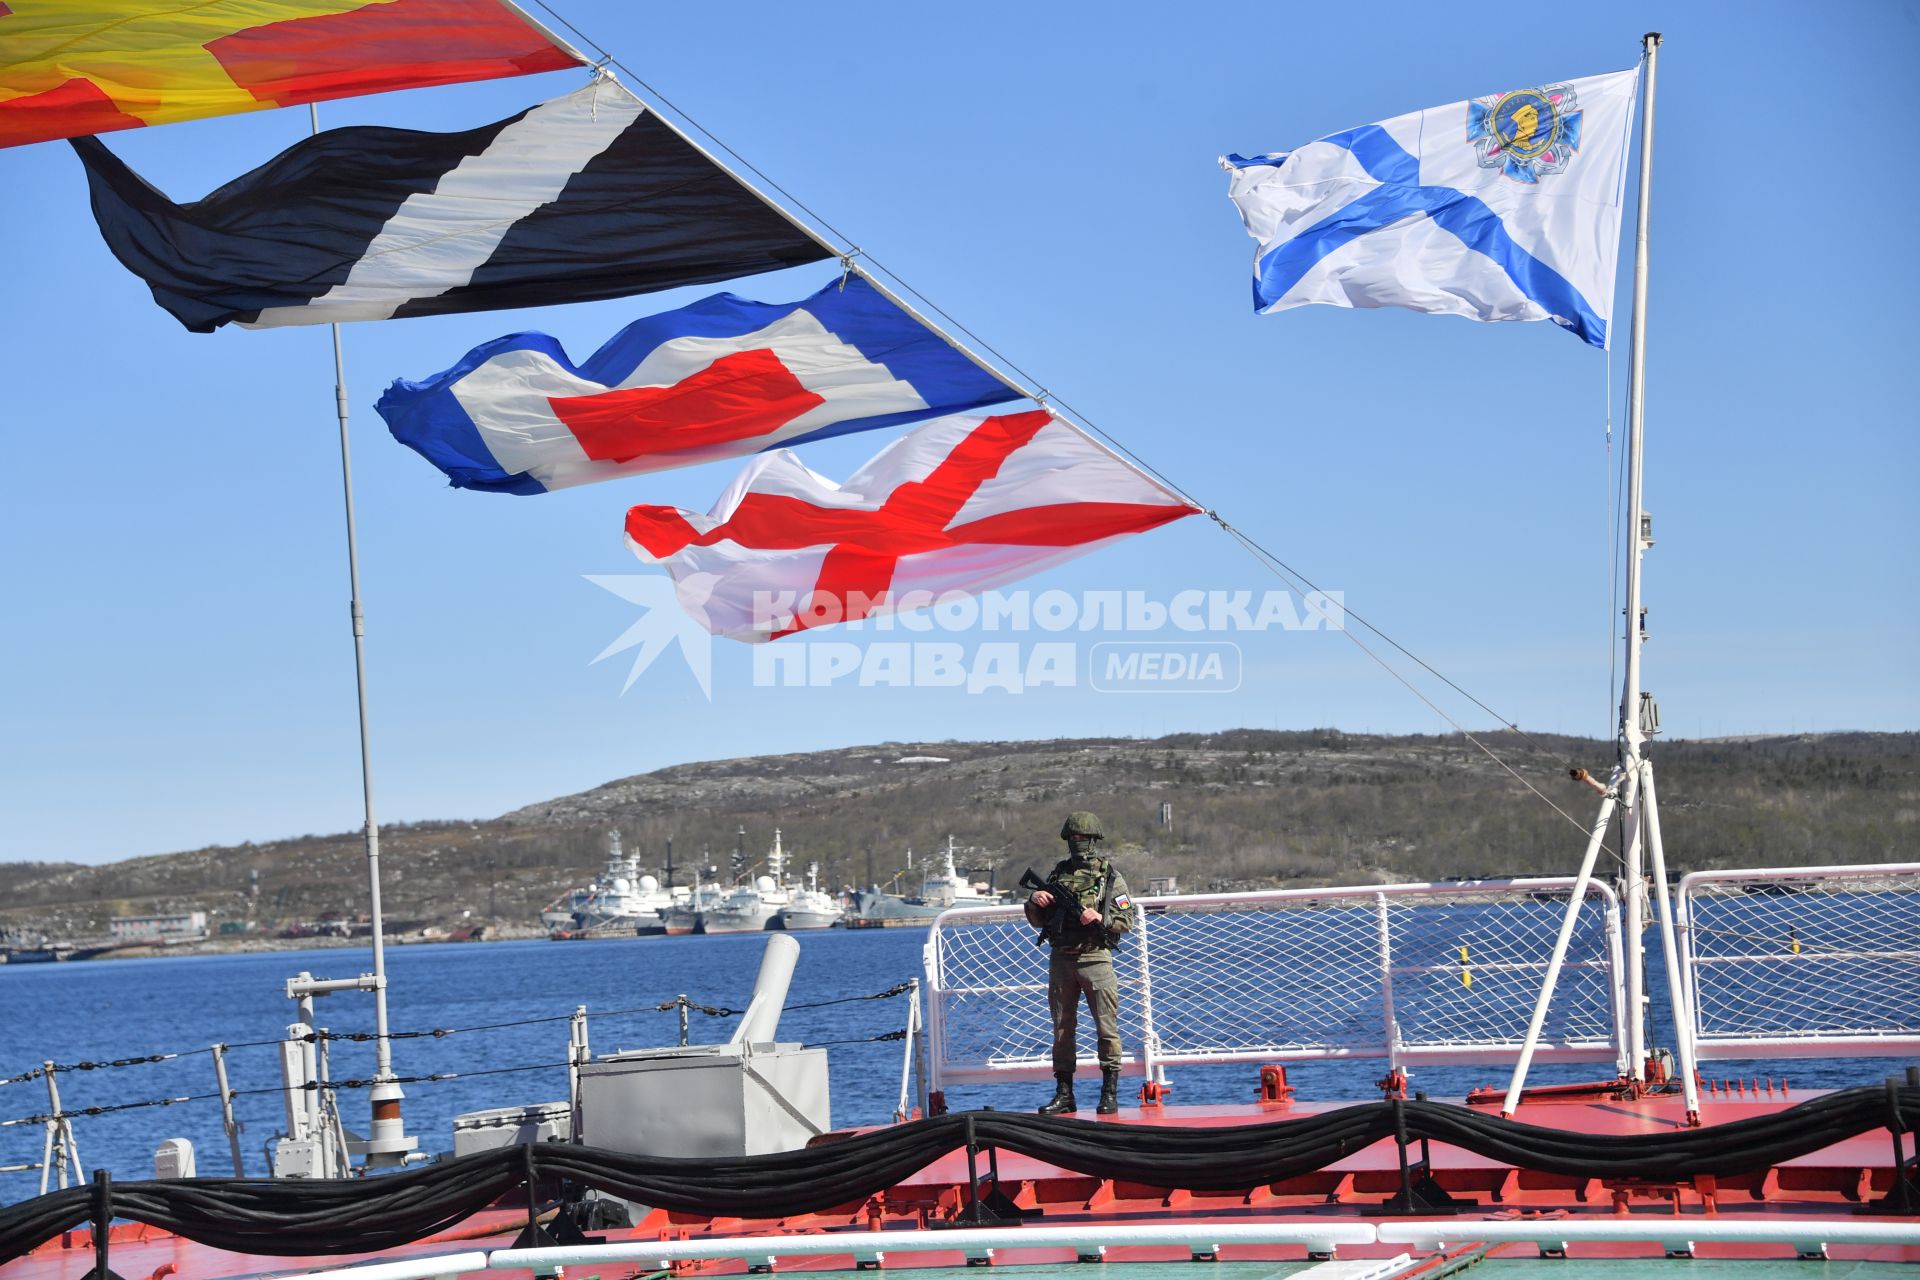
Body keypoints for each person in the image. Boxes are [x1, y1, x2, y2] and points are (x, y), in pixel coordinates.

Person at [1025, 810, 1134, 1115]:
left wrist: (1101, 917)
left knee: (1106, 1029)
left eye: (1083, 838)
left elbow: (1127, 920)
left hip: (1095, 958)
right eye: (1073, 838)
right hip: (1061, 960)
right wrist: (1035, 903)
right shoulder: (1057, 874)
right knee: (1062, 1029)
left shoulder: (1110, 877)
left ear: (1094, 840)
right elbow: (1038, 921)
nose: (1078, 843)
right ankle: (1064, 1093)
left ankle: (1109, 1091)